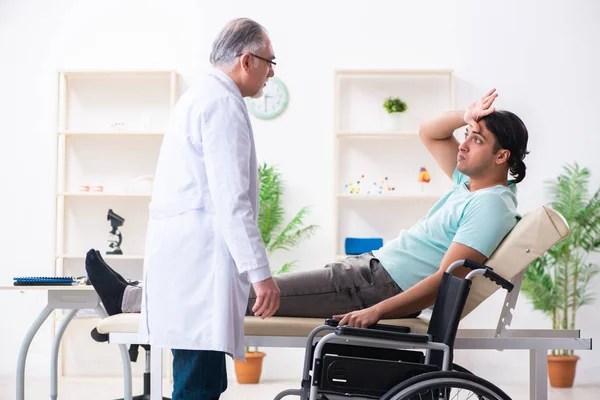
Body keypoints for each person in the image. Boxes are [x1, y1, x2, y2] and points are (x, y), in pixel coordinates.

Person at [87, 88, 529, 352]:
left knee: (251, 297)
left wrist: (374, 310)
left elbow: (446, 277)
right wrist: (468, 112)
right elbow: (429, 130)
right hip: (367, 273)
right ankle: (144, 307)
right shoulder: (467, 184)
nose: (464, 142)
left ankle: (132, 300)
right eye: (468, 135)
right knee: (251, 292)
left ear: (502, 156)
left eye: (476, 138)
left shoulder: (489, 204)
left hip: (374, 286)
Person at [92, 18, 282, 400]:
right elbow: (232, 201)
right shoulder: (221, 104)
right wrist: (261, 275)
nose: (271, 74)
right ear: (247, 61)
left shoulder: (200, 97)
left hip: (188, 268)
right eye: (269, 62)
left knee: (198, 379)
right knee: (199, 383)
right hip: (199, 273)